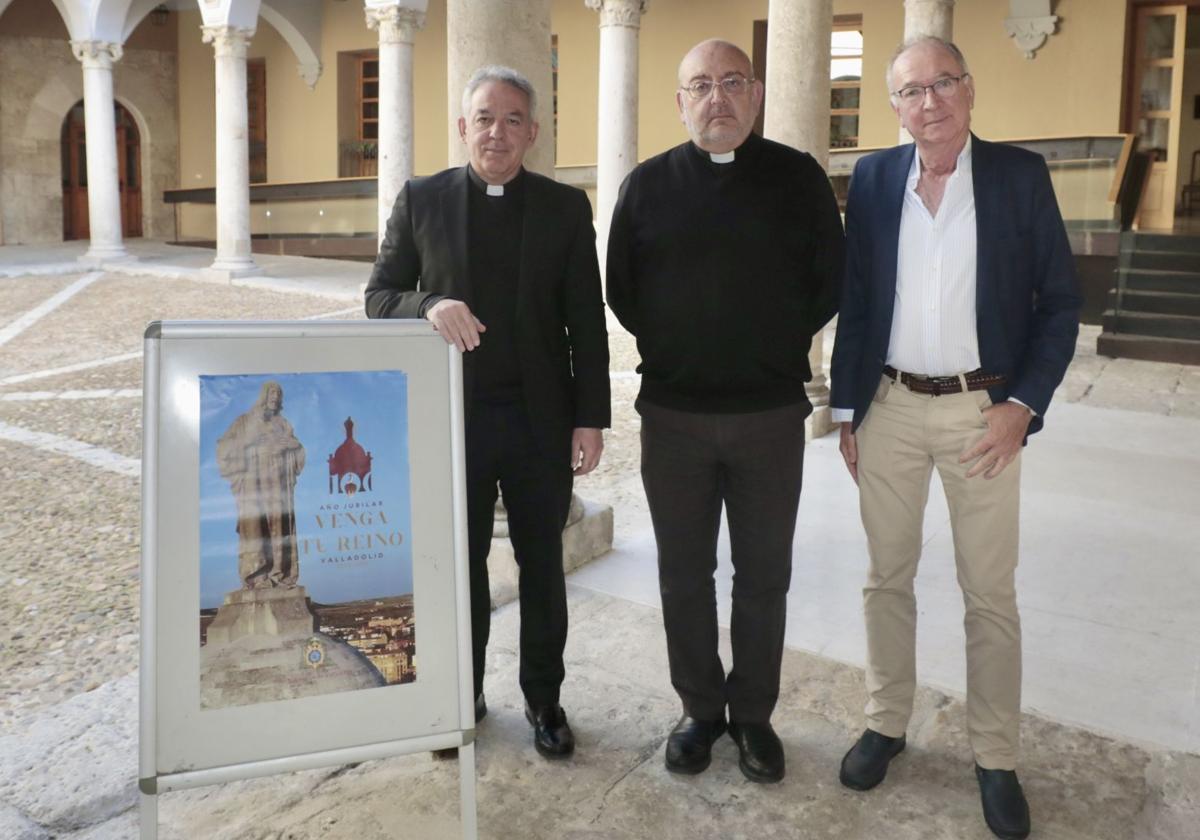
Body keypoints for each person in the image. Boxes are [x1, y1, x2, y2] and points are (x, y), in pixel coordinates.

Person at [828, 36, 1081, 840]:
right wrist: (847, 410)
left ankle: (996, 757)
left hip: (984, 415)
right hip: (892, 406)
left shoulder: (1017, 177)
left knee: (989, 594)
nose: (928, 103)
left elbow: (1060, 306)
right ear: (894, 107)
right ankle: (885, 723)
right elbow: (858, 299)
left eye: (942, 85)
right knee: (885, 577)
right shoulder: (872, 180)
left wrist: (1024, 405)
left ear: (969, 92)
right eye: (910, 91)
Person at [606, 39, 843, 783]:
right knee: (682, 574)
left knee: (764, 574)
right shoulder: (646, 185)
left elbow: (829, 282)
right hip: (674, 417)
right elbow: (624, 290)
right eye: (700, 84)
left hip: (769, 417)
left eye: (732, 82)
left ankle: (755, 716)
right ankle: (700, 710)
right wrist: (686, 345)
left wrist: (767, 343)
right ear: (680, 102)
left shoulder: (799, 179)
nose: (718, 97)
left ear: (758, 93)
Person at [365, 65, 610, 759]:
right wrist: (428, 304)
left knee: (542, 569)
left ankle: (544, 699)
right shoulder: (422, 200)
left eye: (511, 119)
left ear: (532, 132)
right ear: (461, 125)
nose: (496, 131)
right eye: (483, 117)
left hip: (540, 425)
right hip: (453, 425)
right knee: (460, 568)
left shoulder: (565, 209)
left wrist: (590, 417)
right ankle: (461, 695)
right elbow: (379, 295)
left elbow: (584, 321)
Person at [216, 380, 307, 589]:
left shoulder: (283, 424)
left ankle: (279, 573)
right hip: (254, 482)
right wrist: (249, 441)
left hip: (278, 483)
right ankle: (258, 575)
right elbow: (224, 447)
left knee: (279, 526)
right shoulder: (245, 422)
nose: (275, 398)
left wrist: (293, 446)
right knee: (257, 525)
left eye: (278, 395)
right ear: (263, 396)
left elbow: (297, 449)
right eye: (272, 393)